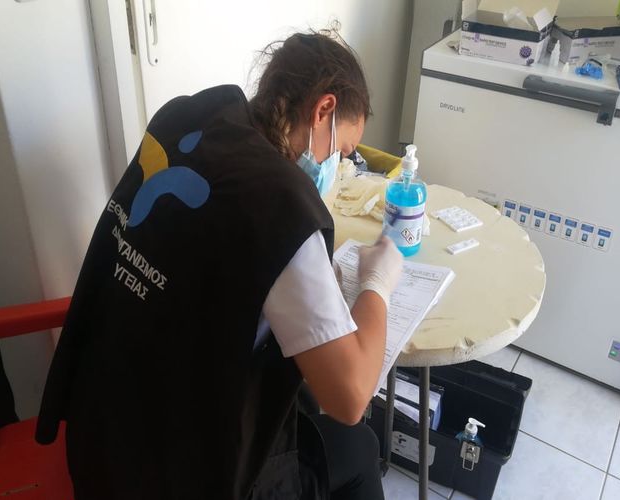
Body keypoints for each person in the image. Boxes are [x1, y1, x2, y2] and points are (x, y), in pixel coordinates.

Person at [36, 28, 403, 500]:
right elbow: (349, 398)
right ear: (323, 110)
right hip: (174, 472)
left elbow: (209, 255)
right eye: (343, 152)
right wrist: (377, 283)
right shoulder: (280, 207)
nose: (338, 164)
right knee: (356, 443)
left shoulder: (187, 120)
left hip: (102, 431)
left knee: (300, 394)